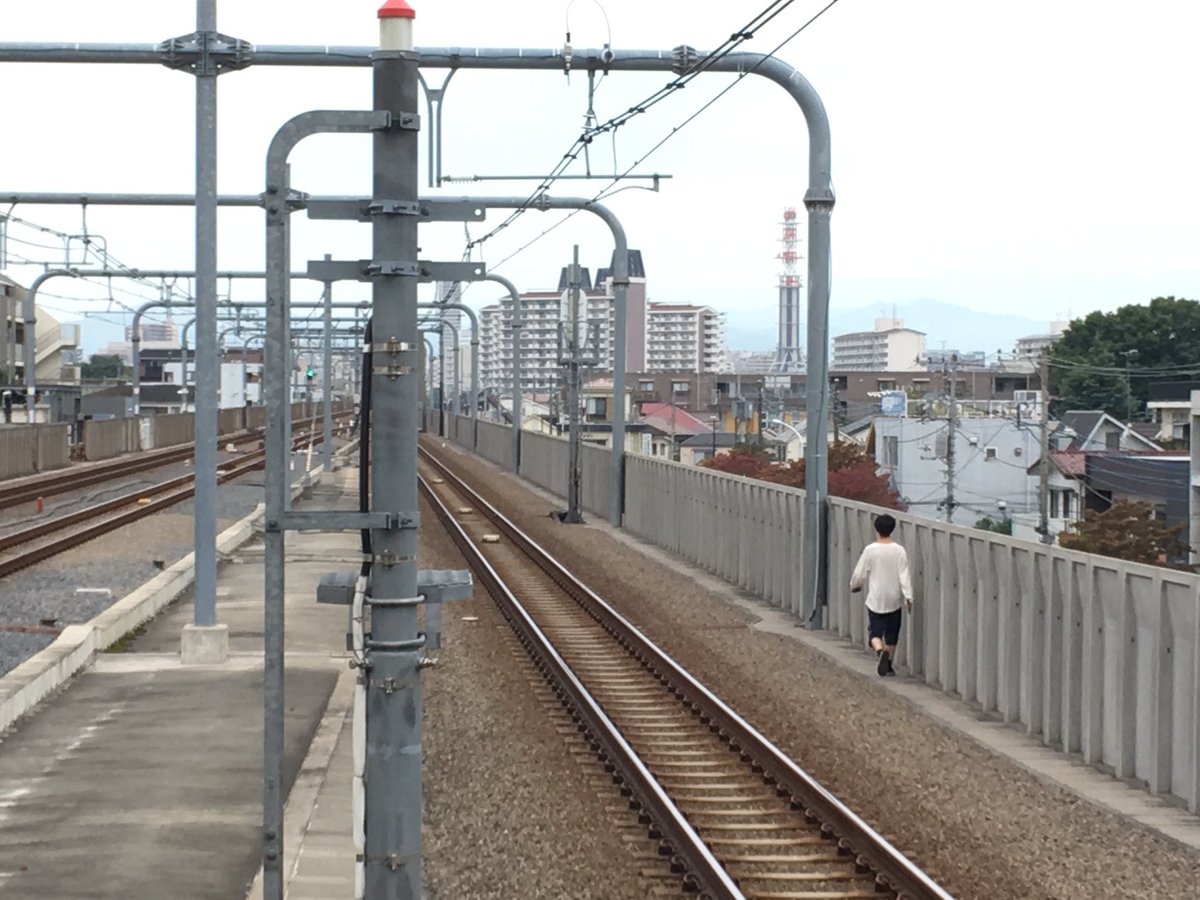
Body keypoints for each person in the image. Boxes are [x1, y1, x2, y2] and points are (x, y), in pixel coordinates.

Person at [849, 513, 913, 677]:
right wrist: (908, 596)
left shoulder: (870, 550)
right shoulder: (900, 551)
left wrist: (855, 585)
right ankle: (889, 664)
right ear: (892, 529)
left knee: (875, 634)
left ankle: (879, 650)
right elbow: (904, 575)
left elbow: (860, 572)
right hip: (894, 598)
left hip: (876, 598)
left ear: (876, 529)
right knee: (892, 635)